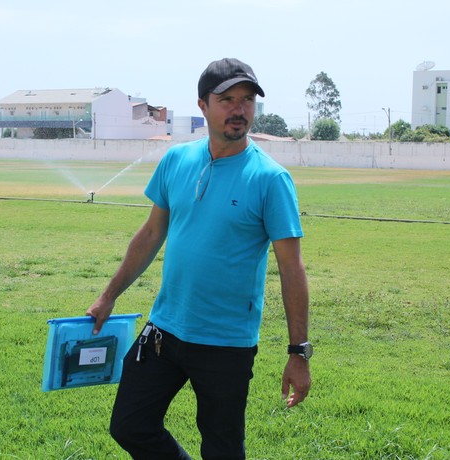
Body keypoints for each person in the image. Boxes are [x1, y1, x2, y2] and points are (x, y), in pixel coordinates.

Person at [86, 57, 311, 460]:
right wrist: (109, 296)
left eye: (246, 100)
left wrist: (299, 352)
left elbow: (291, 269)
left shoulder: (270, 179)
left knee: (223, 450)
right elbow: (152, 233)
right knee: (129, 425)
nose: (239, 109)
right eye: (227, 100)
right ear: (203, 106)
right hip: (165, 329)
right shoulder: (177, 160)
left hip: (226, 342)